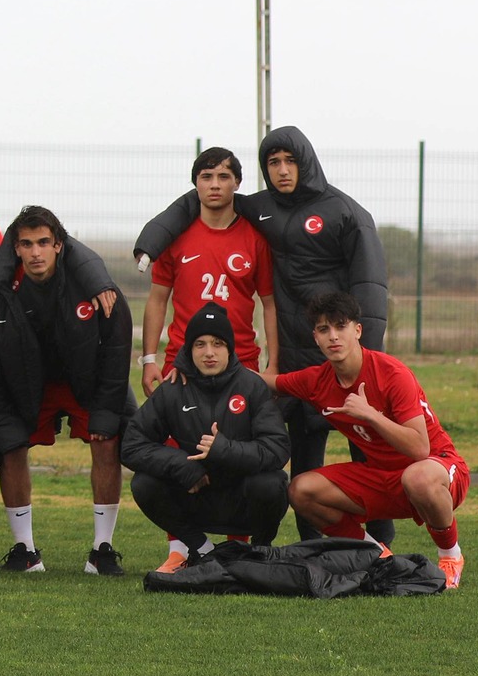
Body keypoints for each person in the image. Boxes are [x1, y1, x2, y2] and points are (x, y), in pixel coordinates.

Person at [135, 127, 389, 540]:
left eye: (291, 161)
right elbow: (195, 207)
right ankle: (303, 541)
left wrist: (365, 352)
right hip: (249, 356)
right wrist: (150, 244)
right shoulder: (257, 209)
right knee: (295, 448)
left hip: (329, 349)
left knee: (362, 439)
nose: (283, 170)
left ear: (306, 161)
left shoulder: (341, 213)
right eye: (274, 163)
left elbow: (369, 285)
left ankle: (379, 539)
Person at [0, 205, 134, 576]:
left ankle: (102, 550)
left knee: (107, 439)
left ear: (59, 245)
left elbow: (115, 354)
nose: (35, 252)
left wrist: (107, 412)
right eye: (26, 244)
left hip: (86, 383)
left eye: (43, 242)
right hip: (27, 386)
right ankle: (24, 550)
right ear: (15, 248)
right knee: (10, 446)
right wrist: (2, 419)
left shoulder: (96, 288)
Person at [277, 290, 469, 589]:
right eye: (324, 329)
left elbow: (420, 448)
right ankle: (379, 556)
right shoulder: (316, 380)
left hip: (437, 469)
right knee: (302, 490)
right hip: (383, 477)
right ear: (315, 337)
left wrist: (371, 415)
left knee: (418, 477)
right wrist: (202, 367)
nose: (333, 336)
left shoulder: (392, 373)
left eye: (341, 326)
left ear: (358, 330)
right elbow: (268, 383)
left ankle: (450, 556)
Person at [122, 304, 290, 568]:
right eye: (200, 344)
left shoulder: (252, 385)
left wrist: (225, 449)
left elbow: (277, 448)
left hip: (241, 500)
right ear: (189, 349)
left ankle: (259, 552)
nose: (209, 353)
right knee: (144, 484)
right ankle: (202, 548)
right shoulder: (172, 389)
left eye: (218, 343)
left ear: (230, 348)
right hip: (195, 496)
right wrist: (182, 465)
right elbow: (132, 445)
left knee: (273, 483)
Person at [140, 147, 277, 398]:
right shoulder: (175, 237)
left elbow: (270, 304)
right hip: (182, 360)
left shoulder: (256, 238)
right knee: (176, 437)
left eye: (223, 177)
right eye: (206, 177)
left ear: (237, 183)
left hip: (241, 359)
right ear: (196, 184)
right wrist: (149, 360)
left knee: (239, 436)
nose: (215, 185)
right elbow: (157, 299)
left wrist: (274, 365)